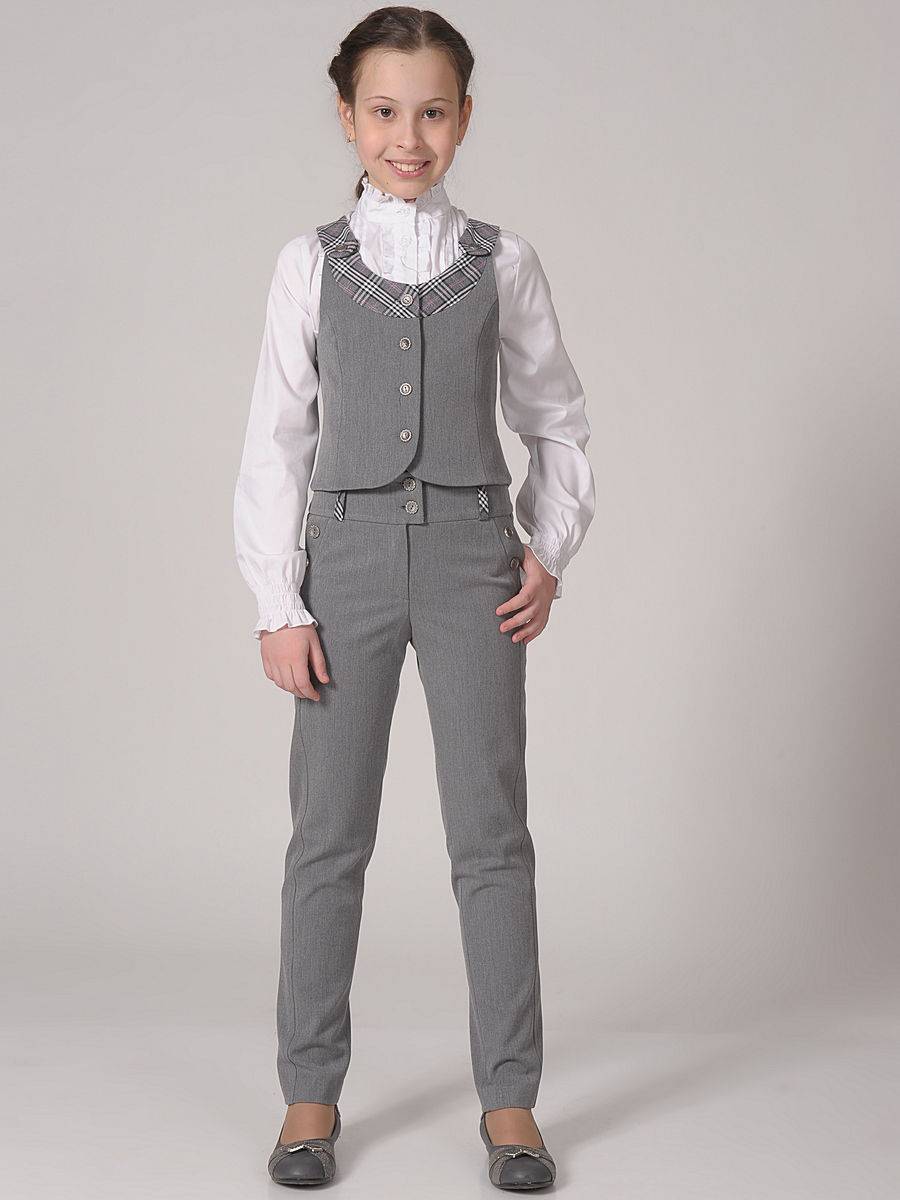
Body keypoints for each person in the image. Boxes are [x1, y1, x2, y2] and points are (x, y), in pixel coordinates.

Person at [233, 6, 595, 1189]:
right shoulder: (309, 264)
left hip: (469, 560)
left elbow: (555, 418)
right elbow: (276, 440)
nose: (408, 136)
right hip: (341, 562)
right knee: (327, 836)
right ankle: (308, 1094)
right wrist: (278, 601)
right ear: (347, 118)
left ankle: (510, 1101)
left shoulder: (505, 261)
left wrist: (547, 545)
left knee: (492, 835)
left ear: (464, 119)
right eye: (384, 111)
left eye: (432, 112)